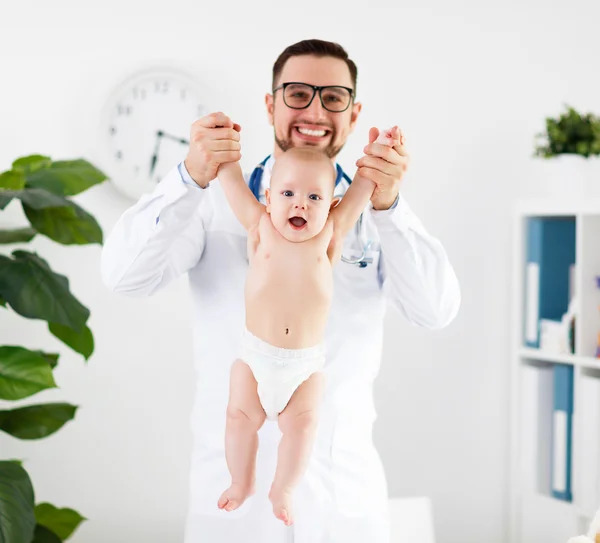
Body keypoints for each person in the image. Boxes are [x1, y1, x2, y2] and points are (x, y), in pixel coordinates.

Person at [100, 39, 461, 543]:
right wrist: (189, 177)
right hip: (228, 517)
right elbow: (123, 276)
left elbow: (436, 310)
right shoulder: (221, 203)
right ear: (270, 104)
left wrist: (391, 206)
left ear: (354, 115)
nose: (315, 109)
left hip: (343, 510)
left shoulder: (369, 211)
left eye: (333, 97)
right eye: (297, 93)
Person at [215, 133, 394, 526]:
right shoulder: (259, 227)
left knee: (305, 425)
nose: (300, 203)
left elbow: (362, 188)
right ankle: (239, 481)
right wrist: (223, 154)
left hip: (304, 367)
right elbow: (229, 181)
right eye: (288, 193)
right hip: (255, 357)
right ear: (267, 197)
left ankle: (284, 487)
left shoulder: (330, 234)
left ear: (330, 205)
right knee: (238, 416)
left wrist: (380, 155)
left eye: (314, 198)